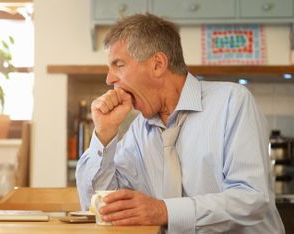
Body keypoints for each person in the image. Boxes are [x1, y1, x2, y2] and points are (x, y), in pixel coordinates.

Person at [76, 13, 284, 233]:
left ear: (157, 64)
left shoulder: (233, 102)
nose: (109, 79)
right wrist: (104, 135)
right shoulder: (139, 130)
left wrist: (164, 211)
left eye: (118, 65)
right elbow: (101, 206)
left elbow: (252, 199)